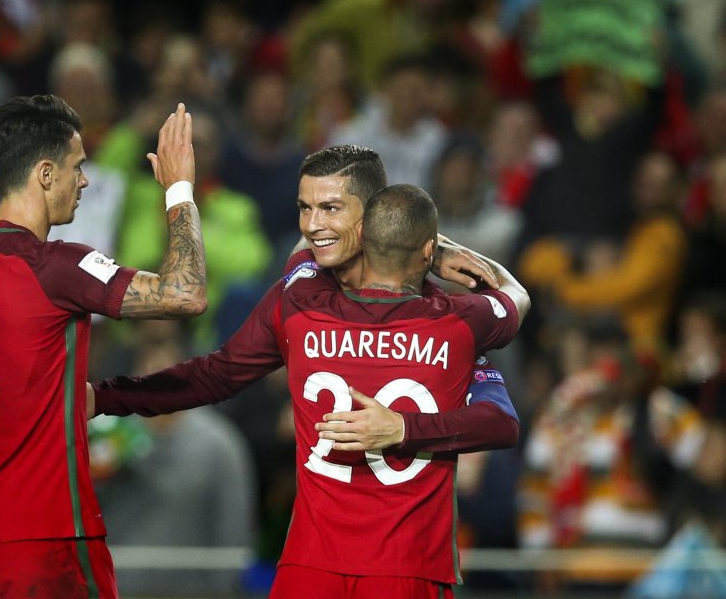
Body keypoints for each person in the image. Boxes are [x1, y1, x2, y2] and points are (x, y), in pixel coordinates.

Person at [91, 146, 524, 593]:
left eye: (330, 208)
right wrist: (103, 397)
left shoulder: (298, 297)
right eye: (304, 208)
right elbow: (213, 376)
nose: (313, 225)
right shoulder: (451, 318)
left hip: (346, 570)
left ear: (371, 217)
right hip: (366, 568)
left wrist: (401, 427)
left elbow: (215, 372)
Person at [0, 96, 207, 598]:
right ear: (45, 173)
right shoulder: (57, 267)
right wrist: (178, 190)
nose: (84, 181)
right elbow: (185, 293)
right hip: (45, 542)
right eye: (77, 167)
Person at [267, 183, 528, 598]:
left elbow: (308, 244)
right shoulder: (460, 326)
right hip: (407, 566)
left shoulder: (303, 305)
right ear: (425, 251)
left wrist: (366, 232)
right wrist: (404, 429)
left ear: (363, 240)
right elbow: (516, 295)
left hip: (309, 566)